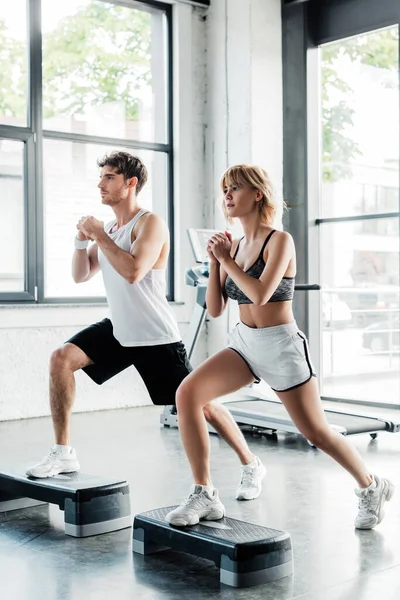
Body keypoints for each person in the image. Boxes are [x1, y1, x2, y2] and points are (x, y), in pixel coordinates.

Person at [166, 164, 394, 529]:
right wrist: (214, 261)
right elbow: (215, 308)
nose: (227, 196)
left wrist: (224, 260)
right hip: (244, 343)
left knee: (315, 432)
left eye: (235, 189)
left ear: (257, 194)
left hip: (281, 346)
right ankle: (204, 493)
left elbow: (259, 294)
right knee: (188, 394)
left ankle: (371, 486)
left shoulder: (280, 241)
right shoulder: (235, 245)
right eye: (224, 189)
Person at [27, 152, 265, 499]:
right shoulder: (109, 229)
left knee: (201, 404)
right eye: (102, 177)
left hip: (154, 335)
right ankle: (63, 453)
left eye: (109, 178)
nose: (100, 184)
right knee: (61, 358)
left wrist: (97, 234)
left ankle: (250, 463)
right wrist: (82, 240)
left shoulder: (149, 223)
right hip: (119, 329)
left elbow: (134, 271)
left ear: (130, 183)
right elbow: (80, 275)